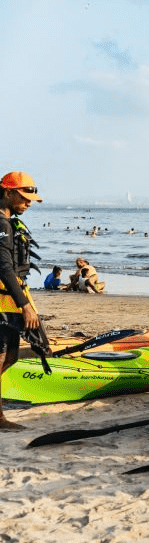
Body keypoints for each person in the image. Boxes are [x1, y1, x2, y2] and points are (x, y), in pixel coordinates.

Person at [0, 172, 44, 430]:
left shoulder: (7, 222)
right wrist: (24, 305)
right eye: (23, 197)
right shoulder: (2, 225)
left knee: (12, 356)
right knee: (3, 356)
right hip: (4, 303)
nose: (28, 203)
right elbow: (4, 269)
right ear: (7, 192)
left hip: (8, 299)